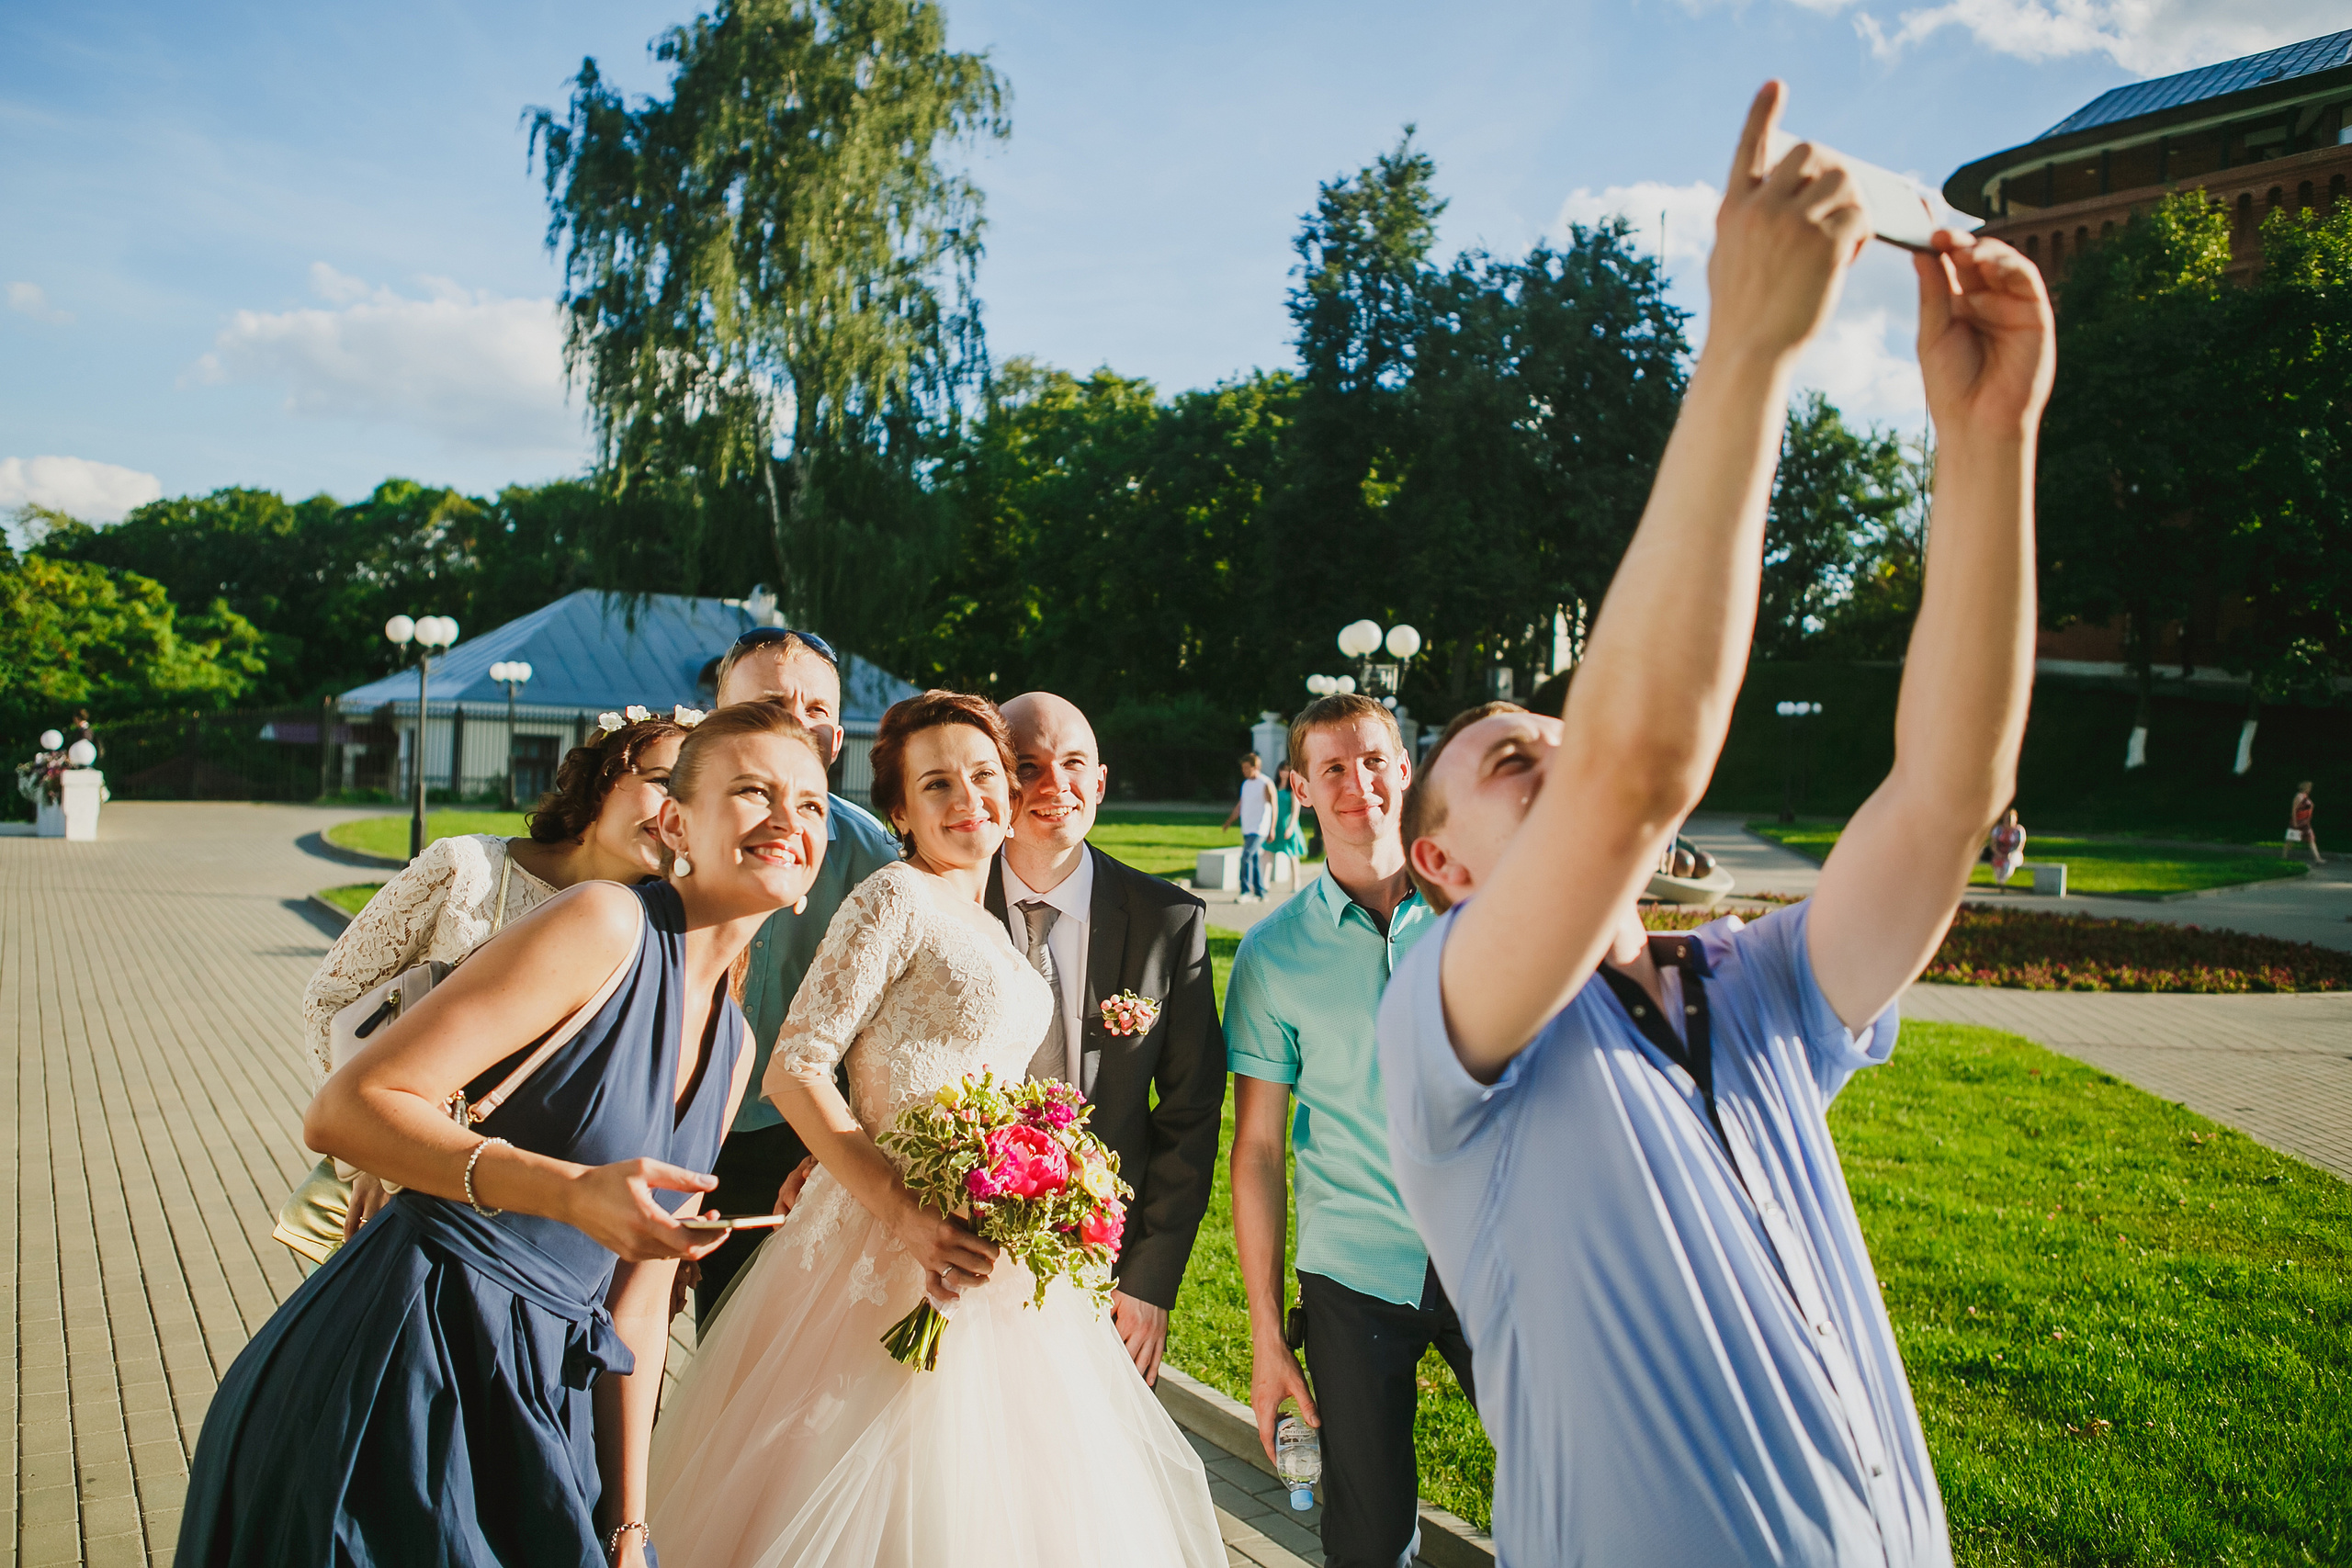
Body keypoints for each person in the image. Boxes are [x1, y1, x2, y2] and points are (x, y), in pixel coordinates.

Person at [1377, 81, 2053, 1566]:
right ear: (1437, 861)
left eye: (1555, 725)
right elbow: (1634, 771)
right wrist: (1745, 345)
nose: (1551, 745)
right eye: (1505, 756)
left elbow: (1945, 800)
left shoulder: (1759, 990)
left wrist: (1990, 438)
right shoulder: (1438, 1030)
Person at [177, 701, 835, 1567]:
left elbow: (638, 1303)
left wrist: (629, 1528)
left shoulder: (737, 1040)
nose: (789, 820)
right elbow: (346, 1105)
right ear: (677, 819)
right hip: (409, 1358)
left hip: (537, 1394)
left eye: (814, 803)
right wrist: (566, 1191)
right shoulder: (606, 924)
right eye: (754, 791)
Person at [645, 691, 1223, 1567]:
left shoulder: (983, 918)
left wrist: (1042, 1172)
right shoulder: (894, 898)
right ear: (899, 809)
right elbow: (796, 1066)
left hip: (989, 1246)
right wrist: (901, 1204)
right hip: (885, 1241)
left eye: (985, 775)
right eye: (937, 783)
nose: (970, 800)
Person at [282, 712, 689, 1265]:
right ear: (603, 778)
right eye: (662, 782)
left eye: (692, 797)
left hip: (537, 1223)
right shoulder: (467, 868)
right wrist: (379, 1151)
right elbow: (330, 998)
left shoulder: (660, 934)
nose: (674, 810)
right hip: (396, 1197)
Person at [1225, 693, 1472, 1568]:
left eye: (1373, 759)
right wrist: (1264, 1331)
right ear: (1299, 788)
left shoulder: (1477, 913)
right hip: (1353, 1271)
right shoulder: (1271, 954)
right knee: (1367, 1540)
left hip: (1499, 1254)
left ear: (1406, 768)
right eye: (1332, 766)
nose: (1358, 781)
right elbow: (1254, 1150)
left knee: (1577, 1495)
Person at [985, 691, 1226, 1385]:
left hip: (1106, 1267)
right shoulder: (950, 906)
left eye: (1073, 763)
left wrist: (1149, 1282)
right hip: (960, 1253)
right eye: (1026, 766)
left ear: (1100, 781)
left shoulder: (1167, 920)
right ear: (997, 781)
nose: (1053, 785)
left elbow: (1189, 1114)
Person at [694, 626, 904, 1323]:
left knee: (744, 1335)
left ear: (836, 742)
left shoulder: (874, 857)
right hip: (659, 1112)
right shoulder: (661, 822)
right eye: (773, 703)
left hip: (789, 1137)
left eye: (817, 710)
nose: (797, 722)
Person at [1222, 751, 1278, 902]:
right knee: (1252, 859)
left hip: (1259, 829)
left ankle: (1245, 891)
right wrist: (1229, 821)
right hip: (1247, 827)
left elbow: (1274, 805)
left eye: (1247, 768)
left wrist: (1272, 828)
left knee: (1246, 856)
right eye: (1243, 768)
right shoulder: (1246, 784)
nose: (1244, 771)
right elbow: (1241, 805)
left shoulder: (1265, 783)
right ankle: (1261, 892)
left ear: (1256, 767)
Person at [1271, 764, 1310, 888]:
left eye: (1287, 771)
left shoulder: (1292, 789)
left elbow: (1295, 810)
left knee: (1292, 854)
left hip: (1288, 824)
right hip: (1276, 823)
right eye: (1282, 770)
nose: (1283, 773)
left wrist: (1291, 827)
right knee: (1269, 852)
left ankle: (1296, 882)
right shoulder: (1275, 787)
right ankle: (1265, 883)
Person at [1989, 807, 2027, 891]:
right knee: (1997, 863)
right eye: (2007, 818)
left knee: (2009, 862)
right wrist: (1999, 853)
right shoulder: (1998, 829)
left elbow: (2020, 845)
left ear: (2015, 819)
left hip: (2014, 854)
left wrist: (2010, 854)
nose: (2009, 821)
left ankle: (2002, 882)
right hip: (2000, 853)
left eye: (2011, 819)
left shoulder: (2019, 830)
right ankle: (2001, 883)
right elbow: (1993, 844)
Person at [2286, 782, 2320, 863]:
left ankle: (2318, 859)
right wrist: (2294, 822)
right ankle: (2284, 856)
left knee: (2311, 839)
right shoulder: (2298, 796)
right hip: (2298, 822)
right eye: (2309, 788)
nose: (2310, 790)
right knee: (2291, 840)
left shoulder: (2305, 796)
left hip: (2305, 823)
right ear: (2306, 788)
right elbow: (2294, 810)